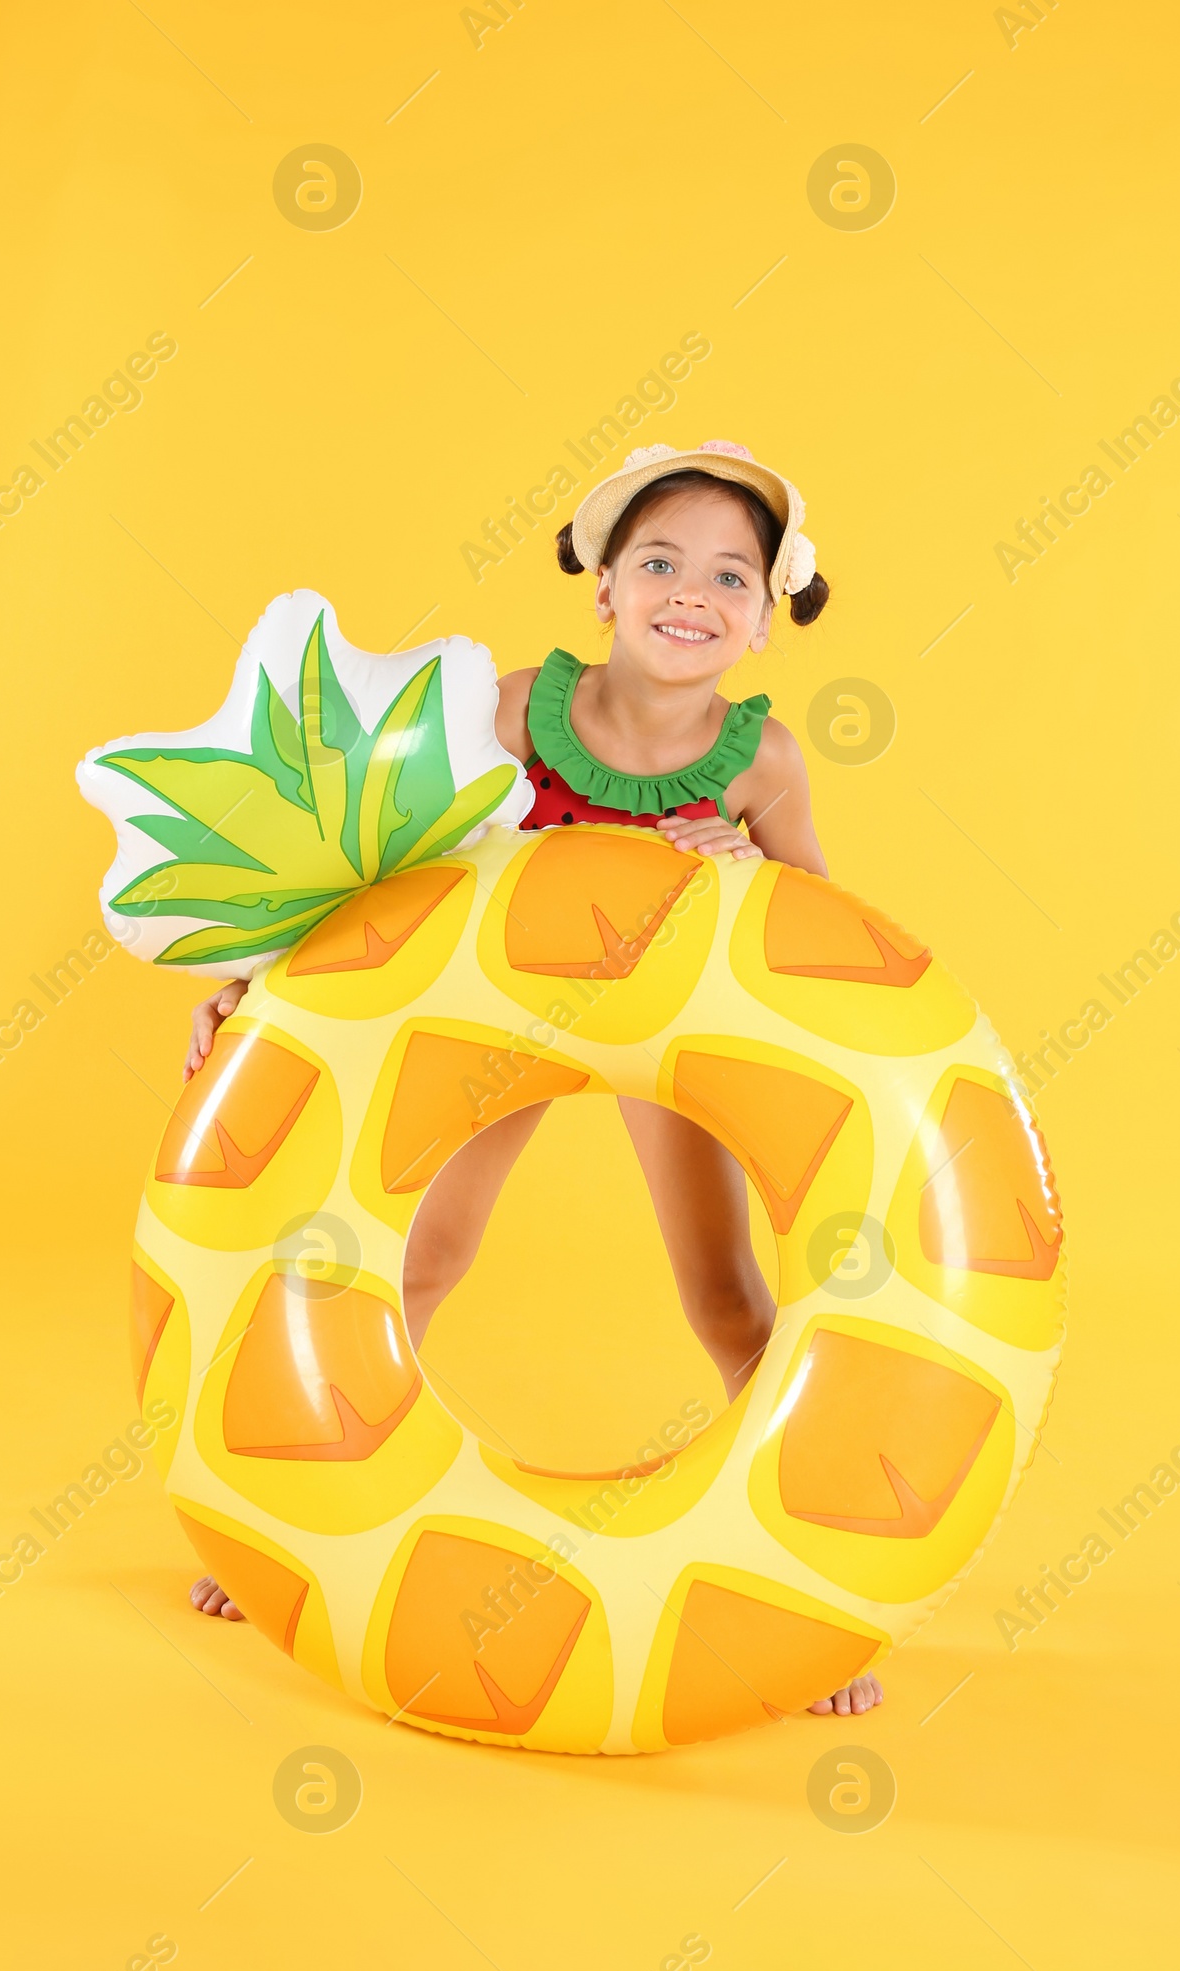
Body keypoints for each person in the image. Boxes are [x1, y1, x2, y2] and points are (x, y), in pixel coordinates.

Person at [184, 440, 882, 1719]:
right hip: (494, 1021)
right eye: (659, 561)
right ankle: (284, 1517)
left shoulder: (761, 758)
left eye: (731, 574)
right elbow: (387, 860)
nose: (690, 590)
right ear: (605, 588)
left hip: (673, 1033)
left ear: (764, 621)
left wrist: (742, 870)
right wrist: (255, 976)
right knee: (421, 1257)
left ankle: (823, 1585)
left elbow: (831, 933)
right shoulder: (515, 710)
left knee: (726, 1296)